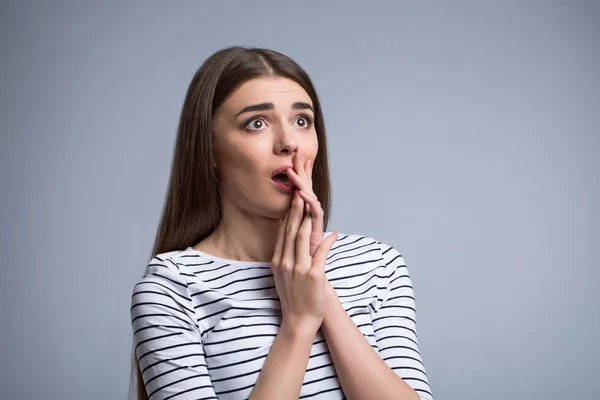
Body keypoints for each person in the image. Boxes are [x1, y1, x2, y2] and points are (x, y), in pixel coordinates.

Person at [129, 46, 433, 400]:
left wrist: (322, 295)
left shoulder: (378, 264)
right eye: (256, 123)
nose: (289, 142)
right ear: (209, 151)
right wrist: (298, 325)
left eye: (302, 121)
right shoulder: (172, 288)